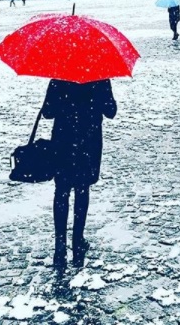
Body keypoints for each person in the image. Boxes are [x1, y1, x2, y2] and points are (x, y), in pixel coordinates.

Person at [42, 78, 118, 272]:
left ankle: (60, 245)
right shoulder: (100, 77)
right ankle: (77, 240)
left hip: (63, 140)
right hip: (88, 140)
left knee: (62, 191)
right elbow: (111, 111)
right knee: (82, 190)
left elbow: (48, 113)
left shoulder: (58, 78)